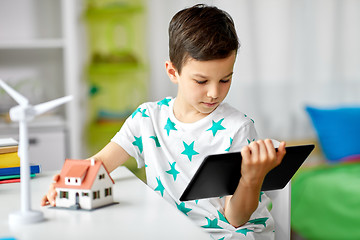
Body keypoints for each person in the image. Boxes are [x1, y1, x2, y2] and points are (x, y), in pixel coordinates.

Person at [42, 4, 286, 239]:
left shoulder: (238, 128)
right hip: (171, 229)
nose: (214, 93)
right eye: (201, 81)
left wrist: (252, 179)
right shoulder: (148, 118)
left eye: (225, 80)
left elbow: (236, 219)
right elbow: (100, 163)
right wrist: (66, 185)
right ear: (172, 72)